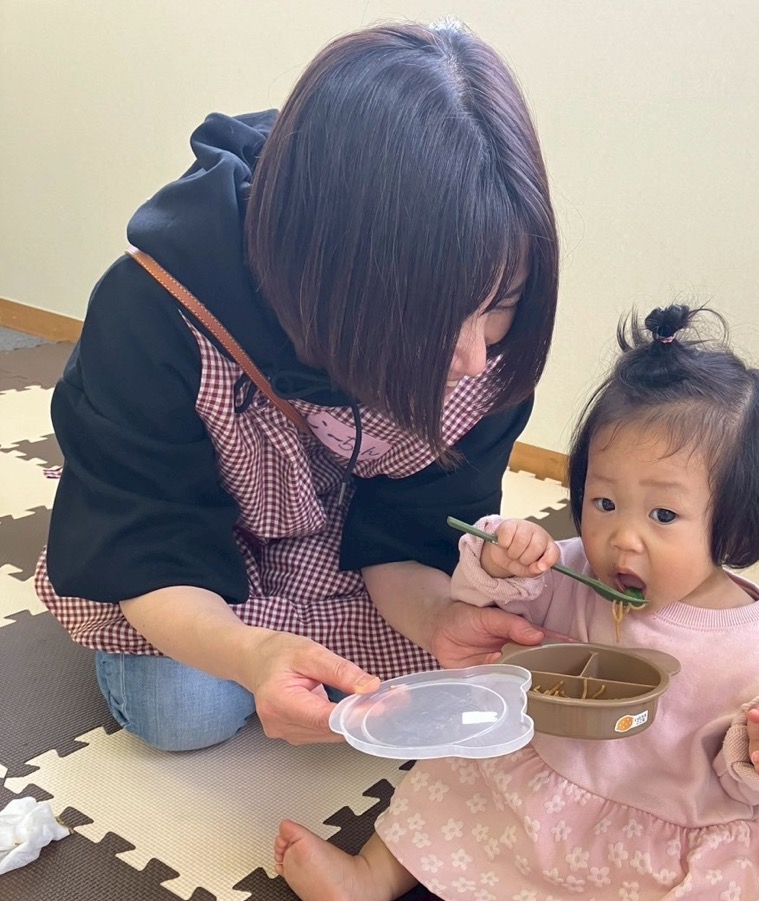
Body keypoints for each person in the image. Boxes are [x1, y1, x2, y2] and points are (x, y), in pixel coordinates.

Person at [273, 304, 759, 901]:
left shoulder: (753, 641)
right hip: (542, 784)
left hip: (654, 827)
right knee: (459, 769)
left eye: (663, 515)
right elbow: (486, 610)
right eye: (604, 502)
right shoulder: (571, 569)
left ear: (736, 523)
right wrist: (499, 562)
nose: (623, 538)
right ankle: (372, 877)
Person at [36, 21, 558, 751]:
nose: (473, 358)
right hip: (197, 545)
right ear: (334, 270)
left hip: (336, 548)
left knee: (459, 654)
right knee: (185, 712)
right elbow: (151, 535)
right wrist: (251, 655)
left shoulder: (486, 354)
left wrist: (439, 617)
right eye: (435, 319)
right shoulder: (156, 307)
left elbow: (410, 531)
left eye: (500, 304)